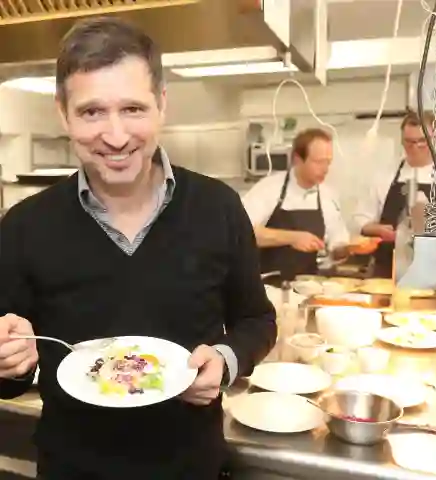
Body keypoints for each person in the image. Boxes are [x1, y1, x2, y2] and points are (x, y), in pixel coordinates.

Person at [0, 17, 276, 480]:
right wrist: (9, 361)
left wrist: (226, 362)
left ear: (161, 104)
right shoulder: (25, 225)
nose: (115, 136)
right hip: (71, 470)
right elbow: (10, 375)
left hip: (192, 468)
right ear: (63, 113)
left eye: (133, 108)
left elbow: (257, 320)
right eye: (92, 112)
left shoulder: (218, 207)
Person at [353, 110, 436, 278]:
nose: (415, 147)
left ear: (435, 138)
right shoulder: (383, 176)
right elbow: (359, 220)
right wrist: (377, 229)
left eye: (422, 141)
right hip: (387, 273)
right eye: (409, 142)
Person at [242, 128, 350, 282]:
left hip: (312, 287)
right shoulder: (268, 189)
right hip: (269, 288)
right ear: (298, 159)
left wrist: (346, 249)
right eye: (319, 162)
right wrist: (291, 238)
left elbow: (337, 240)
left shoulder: (328, 195)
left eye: (328, 162)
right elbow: (241, 232)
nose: (325, 169)